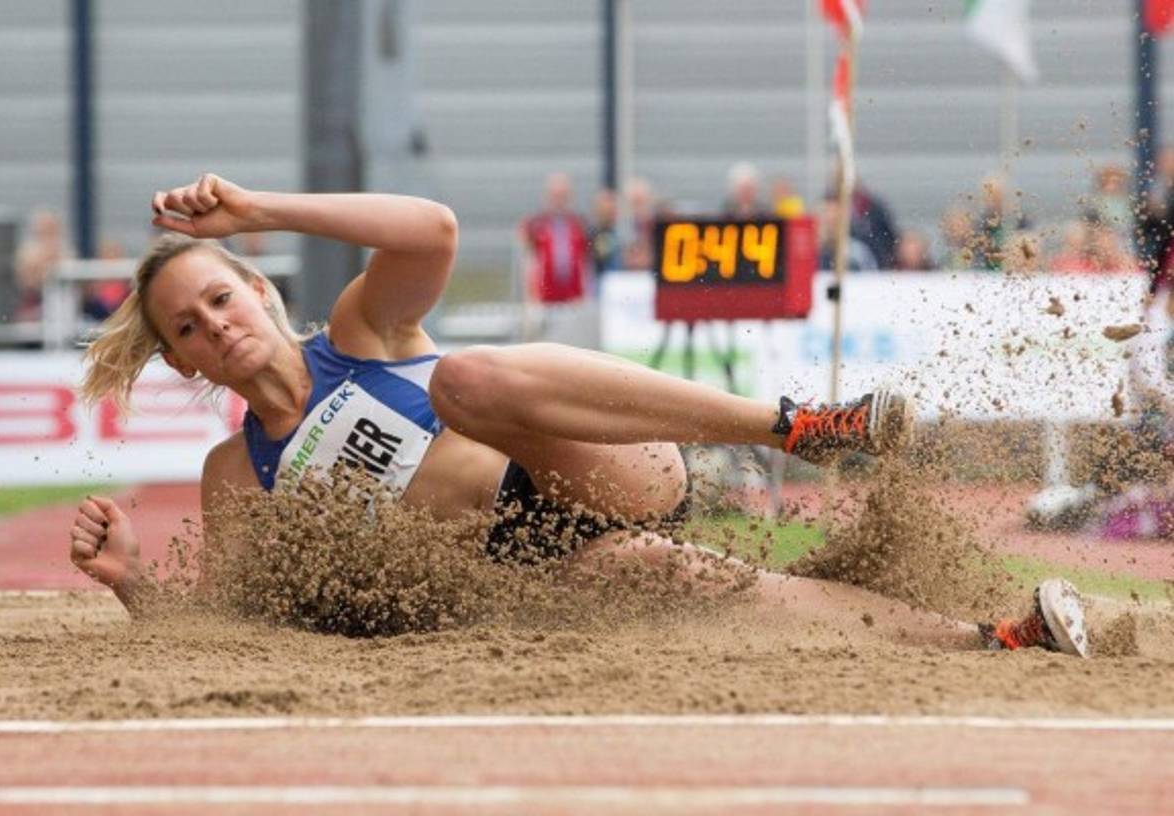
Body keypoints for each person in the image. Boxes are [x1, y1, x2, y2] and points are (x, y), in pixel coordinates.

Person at [66, 174, 1089, 658]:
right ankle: (992, 639)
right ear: (181, 359)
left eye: (221, 297)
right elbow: (235, 626)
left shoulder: (358, 331)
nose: (215, 325)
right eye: (188, 327)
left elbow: (433, 229)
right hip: (530, 564)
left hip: (595, 468)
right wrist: (129, 585)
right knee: (689, 583)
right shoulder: (235, 474)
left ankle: (795, 427)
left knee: (463, 380)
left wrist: (264, 210)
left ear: (257, 289)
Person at [520, 172, 590, 304]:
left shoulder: (580, 224)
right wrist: (530, 295)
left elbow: (585, 262)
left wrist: (586, 294)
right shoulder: (536, 224)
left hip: (574, 295)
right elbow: (529, 261)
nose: (559, 201)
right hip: (545, 295)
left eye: (563, 195)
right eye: (555, 195)